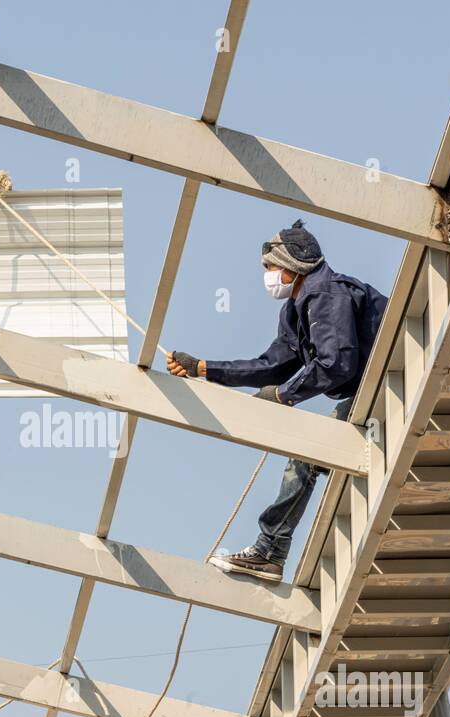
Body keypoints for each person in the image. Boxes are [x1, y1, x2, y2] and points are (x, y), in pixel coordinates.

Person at [166, 219, 387, 583]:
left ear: (291, 265)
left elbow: (337, 363)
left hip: (387, 384)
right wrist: (203, 368)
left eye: (270, 268)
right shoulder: (297, 308)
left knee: (310, 451)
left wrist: (284, 395)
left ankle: (269, 551)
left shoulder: (326, 294)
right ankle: (271, 550)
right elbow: (272, 366)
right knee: (312, 451)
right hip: (368, 390)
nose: (267, 276)